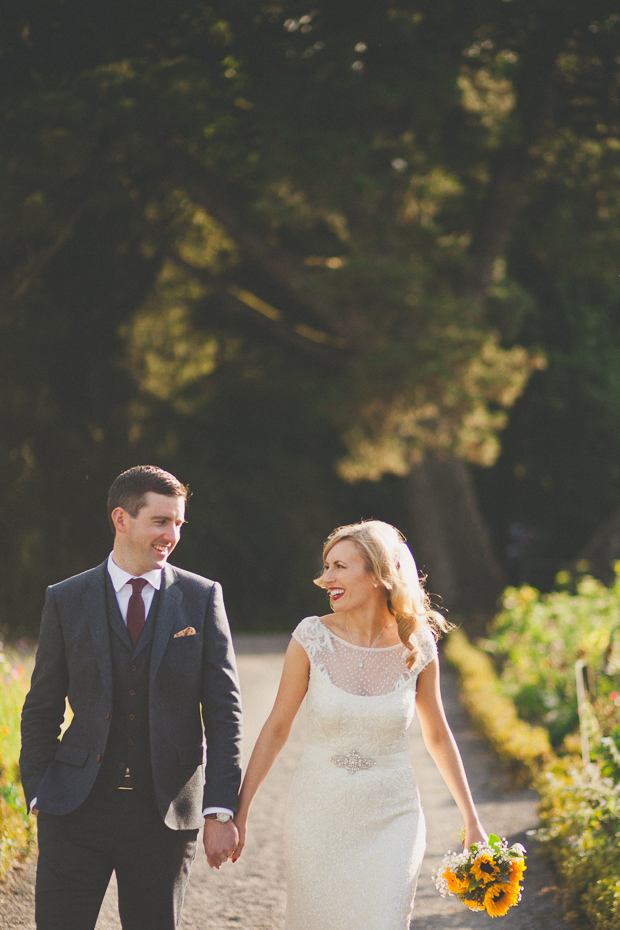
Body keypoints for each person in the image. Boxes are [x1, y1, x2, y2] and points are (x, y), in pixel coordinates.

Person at [232, 519, 487, 929]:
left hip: (393, 815)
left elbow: (438, 735)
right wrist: (241, 812)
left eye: (339, 567)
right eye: (326, 566)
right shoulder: (310, 637)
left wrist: (472, 821)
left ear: (377, 575)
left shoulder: (417, 645)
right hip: (318, 812)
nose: (325, 578)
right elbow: (277, 727)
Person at [20, 466, 243, 930]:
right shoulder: (66, 598)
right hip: (75, 812)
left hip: (163, 817)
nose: (173, 534)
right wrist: (40, 790)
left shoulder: (201, 598)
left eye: (179, 523)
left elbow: (225, 714)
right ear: (121, 519)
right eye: (161, 521)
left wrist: (221, 807)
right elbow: (42, 707)